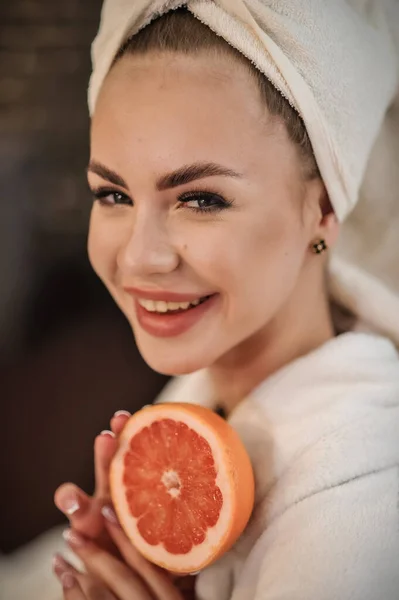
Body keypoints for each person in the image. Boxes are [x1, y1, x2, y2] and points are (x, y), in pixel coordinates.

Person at [48, 1, 399, 599]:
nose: (138, 258)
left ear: (322, 209)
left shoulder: (363, 507)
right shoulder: (209, 400)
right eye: (112, 194)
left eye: (201, 199)